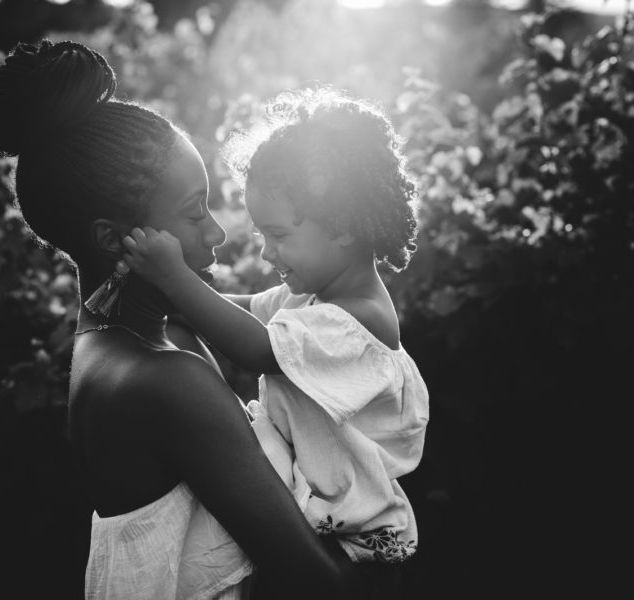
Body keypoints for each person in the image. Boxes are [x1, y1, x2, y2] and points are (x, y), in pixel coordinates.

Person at [0, 40, 366, 600]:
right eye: (194, 213)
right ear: (114, 239)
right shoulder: (165, 378)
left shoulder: (122, 341)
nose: (216, 233)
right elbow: (320, 585)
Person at [121, 88, 430, 581]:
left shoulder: (358, 319)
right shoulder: (313, 298)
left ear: (344, 226)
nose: (267, 253)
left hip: (359, 543)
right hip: (323, 515)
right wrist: (180, 301)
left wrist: (174, 278)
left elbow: (257, 347)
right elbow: (244, 314)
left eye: (280, 236)